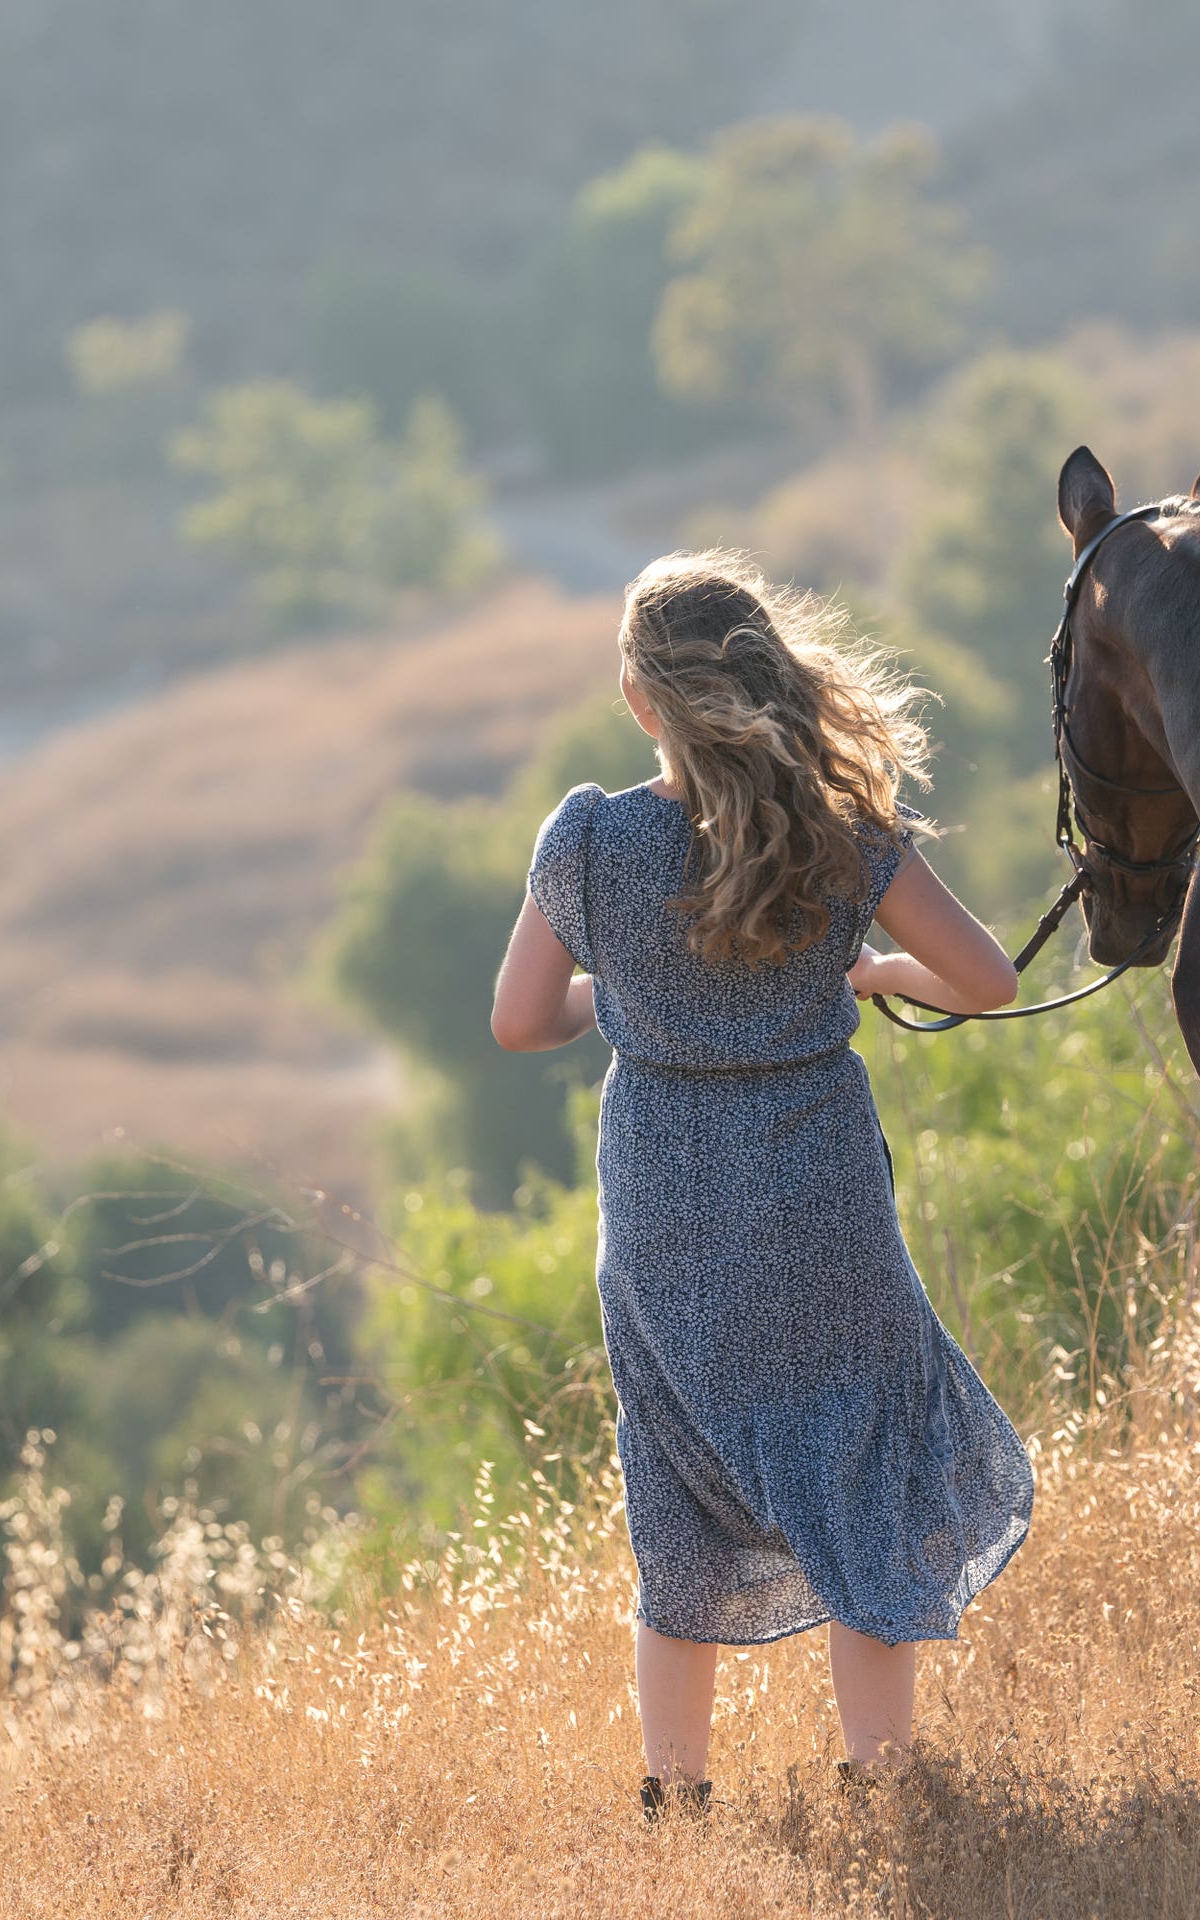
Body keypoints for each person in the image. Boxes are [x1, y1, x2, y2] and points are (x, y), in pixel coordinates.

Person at [490, 550, 1036, 1820]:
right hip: (818, 1198)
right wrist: (879, 974)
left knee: (674, 1484)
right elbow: (988, 981)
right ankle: (881, 1785)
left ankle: (676, 1798)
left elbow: (520, 1021)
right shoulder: (842, 832)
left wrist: (627, 995)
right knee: (858, 1471)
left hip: (665, 1212)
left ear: (643, 700)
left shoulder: (588, 840)